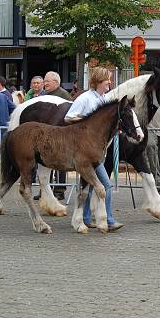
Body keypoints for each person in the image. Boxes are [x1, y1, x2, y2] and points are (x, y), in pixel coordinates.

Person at [63, 67, 123, 232]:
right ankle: (109, 220)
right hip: (86, 151)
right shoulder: (85, 98)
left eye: (109, 80)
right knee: (105, 185)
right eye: (107, 80)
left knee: (89, 186)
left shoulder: (104, 98)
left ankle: (87, 217)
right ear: (98, 82)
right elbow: (68, 117)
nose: (110, 83)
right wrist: (87, 121)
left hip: (98, 150)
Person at [42, 71, 73, 199]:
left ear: (56, 82)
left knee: (61, 164)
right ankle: (45, 189)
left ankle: (60, 190)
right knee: (46, 162)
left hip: (61, 136)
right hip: (48, 134)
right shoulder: (45, 95)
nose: (45, 83)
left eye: (47, 81)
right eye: (44, 81)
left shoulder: (64, 95)